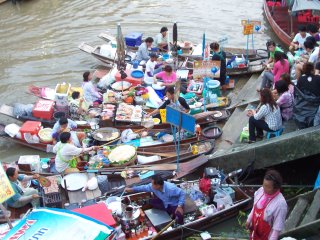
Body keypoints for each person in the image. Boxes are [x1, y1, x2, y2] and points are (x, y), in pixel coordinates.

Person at [246, 170, 288, 240]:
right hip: (255, 232)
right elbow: (254, 207)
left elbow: (276, 230)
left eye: (268, 187)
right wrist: (249, 219)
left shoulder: (281, 204)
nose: (264, 188)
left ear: (276, 188)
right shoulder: (260, 191)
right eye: (264, 184)